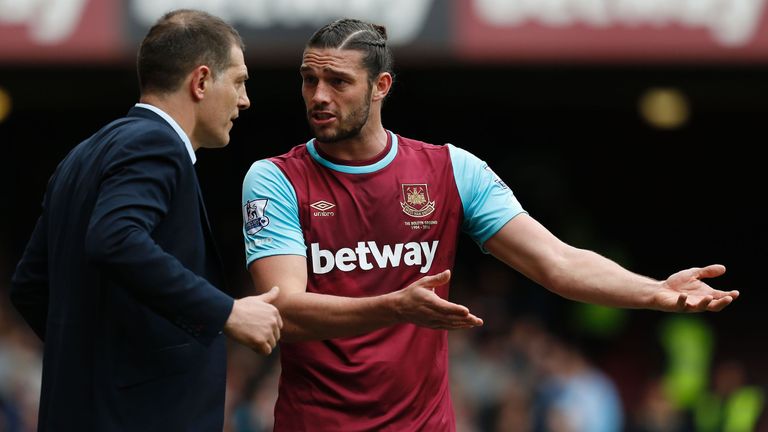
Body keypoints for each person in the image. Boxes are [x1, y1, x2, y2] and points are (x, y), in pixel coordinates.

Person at [241, 18, 739, 431]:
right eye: (310, 79)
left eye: (338, 82)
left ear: (381, 87)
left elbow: (556, 261)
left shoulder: (451, 170)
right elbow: (286, 310)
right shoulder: (274, 179)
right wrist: (396, 307)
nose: (318, 96)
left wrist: (652, 291)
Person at [10, 9, 283, 431]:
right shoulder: (154, 143)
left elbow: (29, 284)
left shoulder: (81, 155)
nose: (245, 99)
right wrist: (226, 312)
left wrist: (104, 363)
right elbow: (115, 237)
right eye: (240, 81)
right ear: (201, 80)